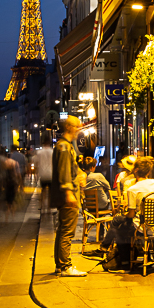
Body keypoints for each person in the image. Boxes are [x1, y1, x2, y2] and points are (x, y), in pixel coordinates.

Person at [88, 157, 154, 262]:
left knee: (117, 228)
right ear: (149, 172)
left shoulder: (133, 189)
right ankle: (105, 250)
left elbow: (131, 215)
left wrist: (127, 212)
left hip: (143, 226)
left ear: (135, 170)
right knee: (117, 222)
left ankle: (123, 258)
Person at [52, 116, 86, 277]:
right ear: (70, 127)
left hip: (66, 193)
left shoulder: (64, 146)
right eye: (77, 127)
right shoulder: (64, 147)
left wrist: (80, 173)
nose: (79, 129)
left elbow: (70, 168)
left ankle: (60, 264)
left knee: (62, 230)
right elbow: (64, 171)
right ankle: (66, 266)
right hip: (69, 195)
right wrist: (69, 193)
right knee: (67, 231)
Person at [33, 136, 54, 213]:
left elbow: (36, 164)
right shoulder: (52, 152)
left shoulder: (39, 152)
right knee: (50, 193)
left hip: (43, 174)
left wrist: (36, 174)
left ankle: (42, 206)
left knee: (43, 191)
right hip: (51, 174)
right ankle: (49, 208)